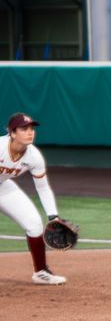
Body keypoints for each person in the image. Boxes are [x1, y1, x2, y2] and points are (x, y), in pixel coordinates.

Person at [0, 113, 68, 285]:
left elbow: (42, 187)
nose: (30, 132)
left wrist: (53, 216)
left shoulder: (33, 156)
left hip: (3, 187)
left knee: (34, 223)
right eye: (24, 129)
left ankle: (41, 272)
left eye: (32, 128)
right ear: (12, 133)